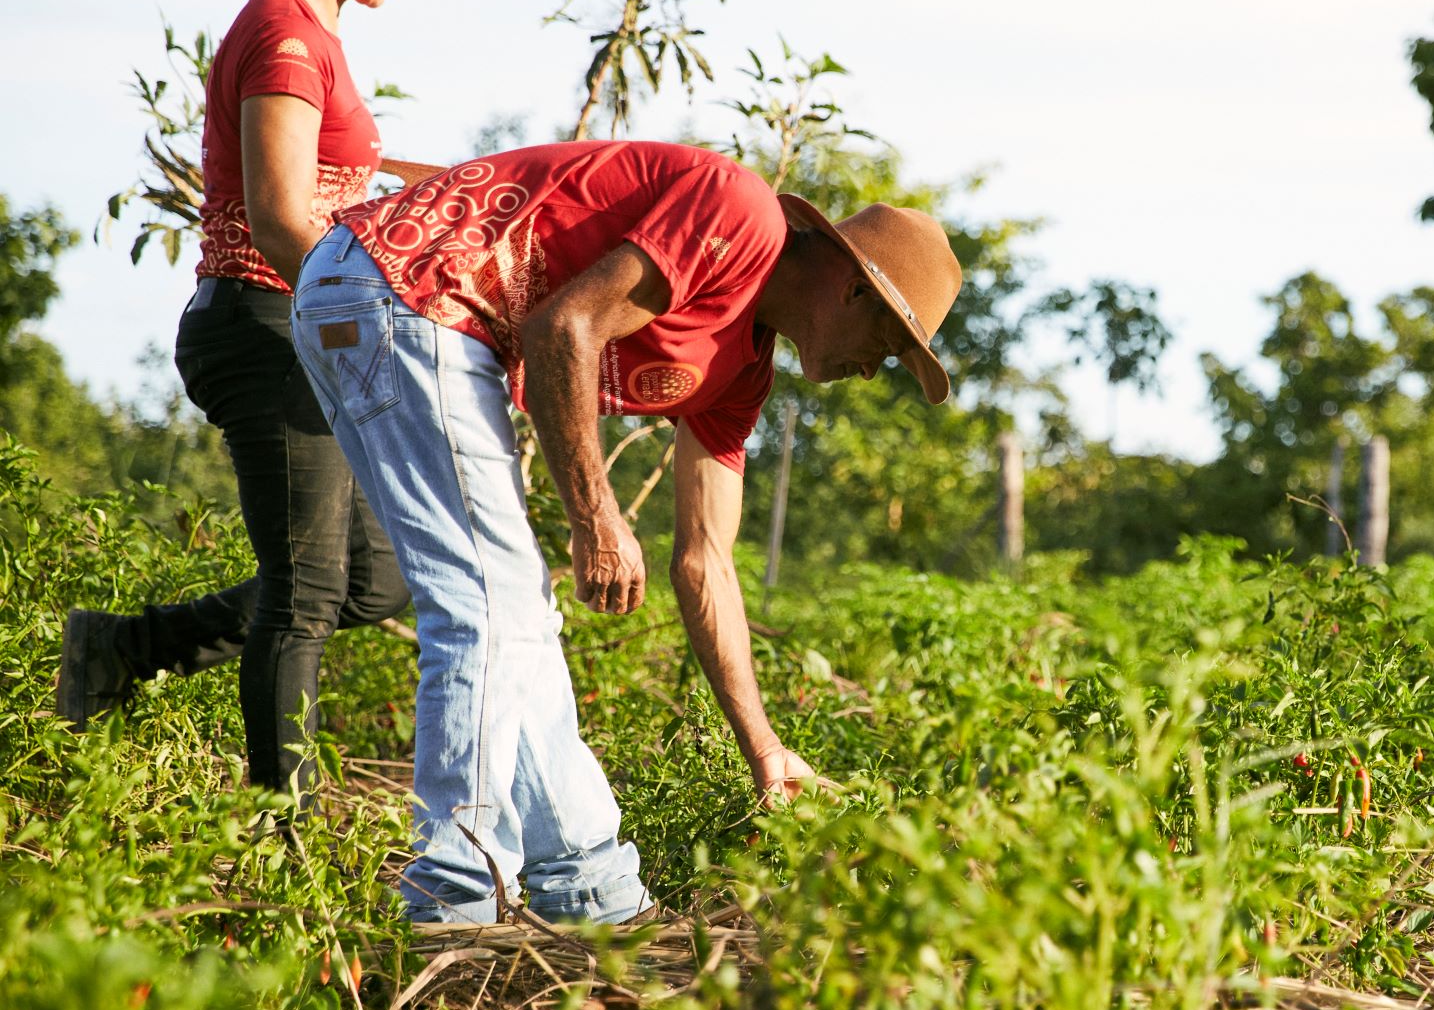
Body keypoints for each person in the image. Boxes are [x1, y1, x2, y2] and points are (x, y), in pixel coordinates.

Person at [284, 140, 962, 923]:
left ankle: (588, 887)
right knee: (484, 606)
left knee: (516, 614)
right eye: (887, 343)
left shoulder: (739, 376)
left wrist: (765, 749)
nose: (873, 370)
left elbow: (707, 564)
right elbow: (562, 330)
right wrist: (595, 516)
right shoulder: (739, 216)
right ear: (852, 290)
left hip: (379, 303)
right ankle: (454, 902)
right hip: (401, 291)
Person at [56, 0, 470, 803]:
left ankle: (120, 649)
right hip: (265, 323)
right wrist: (391, 302)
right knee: (308, 592)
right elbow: (284, 221)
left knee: (380, 583)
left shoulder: (313, 34)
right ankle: (280, 827)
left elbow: (319, 181)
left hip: (299, 327)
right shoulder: (286, 36)